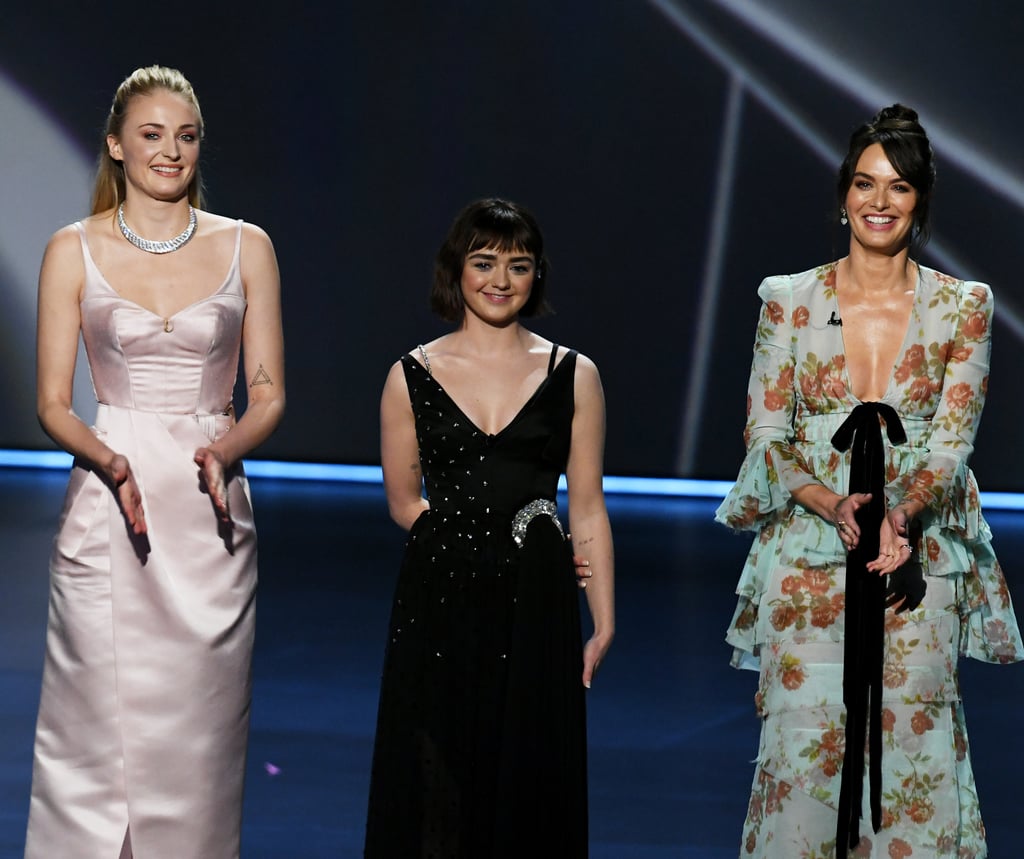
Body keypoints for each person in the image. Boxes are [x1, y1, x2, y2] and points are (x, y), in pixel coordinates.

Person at [715, 104, 1022, 858]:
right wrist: (829, 501)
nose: (879, 202)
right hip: (809, 558)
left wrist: (904, 513)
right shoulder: (788, 299)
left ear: (921, 200)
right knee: (804, 761)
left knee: (911, 764)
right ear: (843, 194)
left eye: (898, 187)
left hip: (912, 566)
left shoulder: (964, 307)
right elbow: (765, 434)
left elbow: (952, 442)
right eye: (864, 183)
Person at [24, 65, 285, 859]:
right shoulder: (72, 249)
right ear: (115, 144)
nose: (170, 150)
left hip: (209, 518)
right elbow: (51, 403)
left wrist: (223, 449)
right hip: (109, 505)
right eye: (151, 133)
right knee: (90, 732)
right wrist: (112, 460)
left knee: (199, 735)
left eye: (186, 135)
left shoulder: (248, 246)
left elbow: (267, 394)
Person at [363, 197, 615, 857]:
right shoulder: (410, 375)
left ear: (536, 276)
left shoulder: (573, 374)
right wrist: (462, 543)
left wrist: (602, 616)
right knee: (438, 769)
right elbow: (402, 498)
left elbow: (586, 503)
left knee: (531, 774)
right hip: (440, 598)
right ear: (458, 269)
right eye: (484, 262)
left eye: (518, 265)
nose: (500, 280)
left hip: (536, 601)